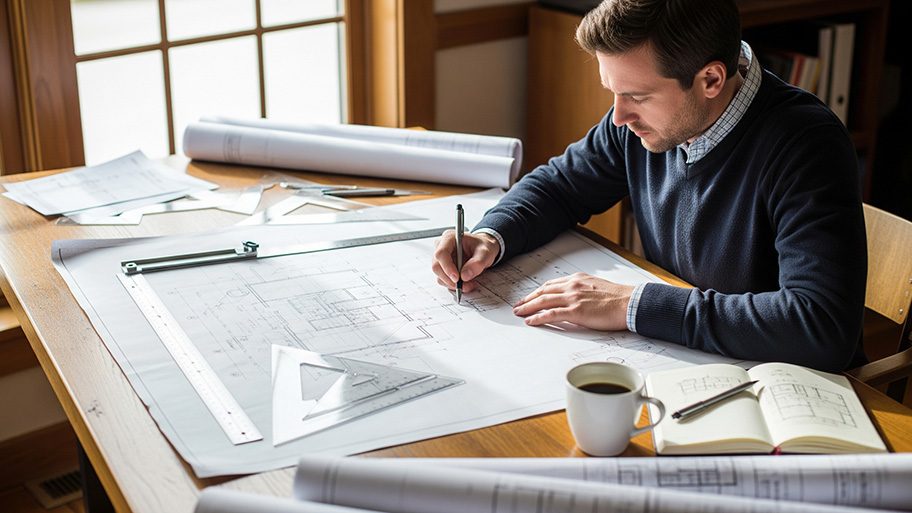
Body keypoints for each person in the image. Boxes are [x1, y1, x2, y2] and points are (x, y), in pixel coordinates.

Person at [431, 0, 867, 372]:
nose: (618, 117)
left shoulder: (806, 144)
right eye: (612, 92)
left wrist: (632, 305)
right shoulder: (642, 122)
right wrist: (491, 235)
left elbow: (821, 326)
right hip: (685, 358)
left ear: (711, 80)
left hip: (784, 391)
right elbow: (561, 186)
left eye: (637, 97)